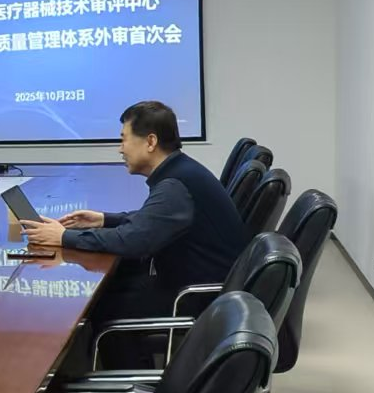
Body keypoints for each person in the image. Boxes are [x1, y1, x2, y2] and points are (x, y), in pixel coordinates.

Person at [20, 101, 251, 330]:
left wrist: (63, 237)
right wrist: (103, 219)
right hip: (198, 285)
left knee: (99, 306)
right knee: (116, 282)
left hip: (195, 298)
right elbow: (151, 221)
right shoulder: (181, 171)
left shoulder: (174, 185)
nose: (120, 149)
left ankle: (118, 354)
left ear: (150, 142)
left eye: (124, 139)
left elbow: (133, 241)